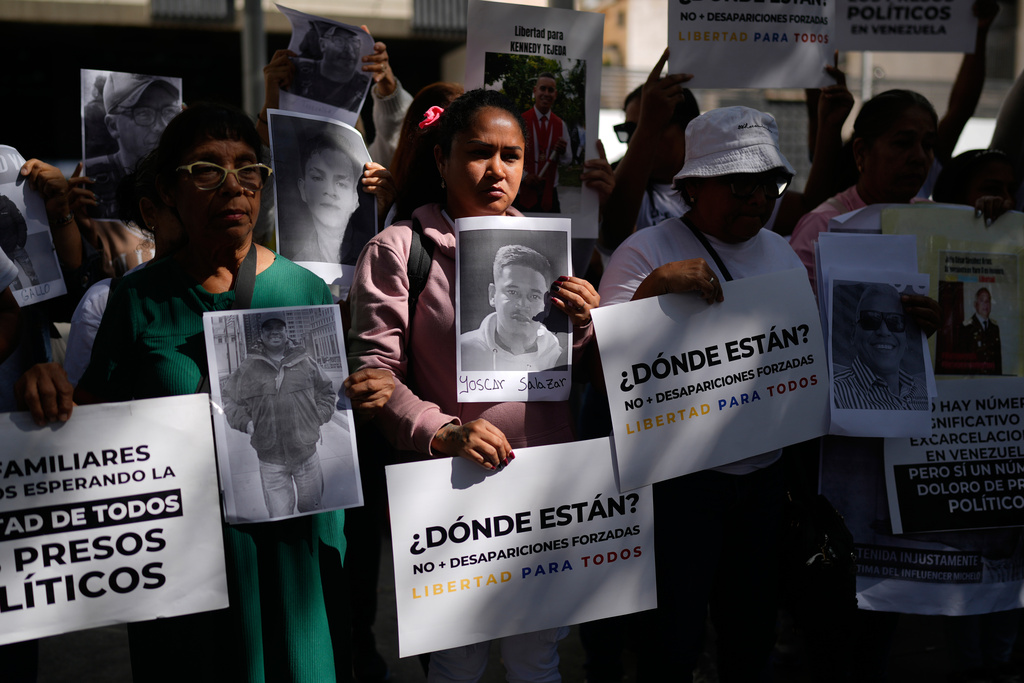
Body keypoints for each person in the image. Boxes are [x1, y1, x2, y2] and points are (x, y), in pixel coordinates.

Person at [15, 102, 393, 682]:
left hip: (292, 549)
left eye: (248, 170)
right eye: (206, 170)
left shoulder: (307, 292)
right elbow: (92, 423)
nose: (233, 187)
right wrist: (48, 382)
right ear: (167, 192)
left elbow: (331, 408)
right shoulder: (136, 299)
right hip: (184, 567)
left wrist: (364, 399)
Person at [348, 88, 599, 681]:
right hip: (450, 492)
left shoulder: (550, 249)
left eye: (511, 156)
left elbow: (571, 370)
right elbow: (376, 375)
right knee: (457, 662)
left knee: (537, 658)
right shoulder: (398, 251)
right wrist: (444, 432)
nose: (497, 171)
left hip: (542, 486)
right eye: (478, 153)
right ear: (441, 159)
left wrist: (586, 324)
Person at [598, 105, 800, 682]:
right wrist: (653, 292)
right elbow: (608, 367)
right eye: (743, 185)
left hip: (763, 482)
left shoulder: (782, 253)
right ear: (692, 187)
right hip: (679, 487)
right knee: (672, 641)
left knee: (750, 635)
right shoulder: (644, 252)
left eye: (771, 184)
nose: (759, 199)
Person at [790, 89, 939, 294]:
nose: (919, 157)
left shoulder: (940, 221)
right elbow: (797, 318)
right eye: (903, 143)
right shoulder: (822, 227)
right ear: (861, 152)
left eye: (928, 145)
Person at [223, 312, 336, 517]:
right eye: (269, 328)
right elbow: (229, 400)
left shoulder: (306, 362)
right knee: (280, 516)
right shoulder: (248, 368)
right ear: (262, 334)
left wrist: (317, 416)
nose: (274, 331)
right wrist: (247, 424)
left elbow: (327, 392)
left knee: (314, 513)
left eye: (279, 327)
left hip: (306, 455)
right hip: (270, 459)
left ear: (286, 331)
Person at [85, 73, 180, 219]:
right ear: (113, 126)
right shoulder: (88, 179)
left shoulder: (183, 177)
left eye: (169, 112)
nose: (161, 126)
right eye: (144, 114)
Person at [460, 244, 567, 372]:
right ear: (492, 294)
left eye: (534, 296)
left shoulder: (558, 360)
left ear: (547, 306)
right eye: (512, 292)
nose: (522, 305)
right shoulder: (462, 351)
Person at [832, 283, 928, 411]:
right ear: (853, 333)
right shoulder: (834, 393)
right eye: (871, 319)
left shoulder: (922, 391)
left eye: (895, 321)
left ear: (906, 338)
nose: (884, 331)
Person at [283, 129, 372, 265]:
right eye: (318, 178)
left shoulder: (374, 255)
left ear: (356, 198)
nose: (330, 191)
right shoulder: (295, 265)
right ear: (303, 189)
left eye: (341, 183)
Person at [516, 72, 573, 213]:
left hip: (549, 195)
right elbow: (510, 156)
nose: (546, 93)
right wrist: (524, 176)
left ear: (555, 94)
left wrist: (563, 151)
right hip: (523, 193)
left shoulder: (560, 124)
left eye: (550, 90)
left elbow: (568, 160)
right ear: (535, 91)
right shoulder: (520, 121)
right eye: (543, 88)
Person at [290, 21, 372, 112]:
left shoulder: (362, 86)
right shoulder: (297, 74)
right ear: (322, 44)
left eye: (354, 42)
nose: (349, 50)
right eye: (339, 41)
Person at [0, 193, 39, 288]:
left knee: (31, 273)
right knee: (12, 280)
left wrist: (20, 243)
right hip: (4, 255)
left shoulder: (8, 204)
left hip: (17, 248)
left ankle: (39, 294)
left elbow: (20, 223)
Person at [961, 287, 1002, 375]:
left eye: (988, 301)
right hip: (973, 379)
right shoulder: (966, 328)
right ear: (975, 304)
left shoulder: (995, 328)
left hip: (991, 379)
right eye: (982, 301)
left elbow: (998, 360)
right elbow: (962, 361)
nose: (985, 304)